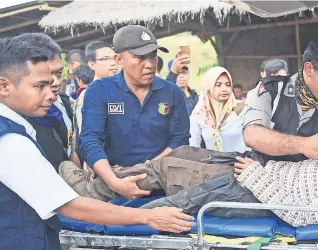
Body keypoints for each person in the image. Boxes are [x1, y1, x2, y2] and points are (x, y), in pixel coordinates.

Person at [0, 35, 193, 250]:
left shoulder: (171, 92)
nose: (51, 95)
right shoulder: (11, 142)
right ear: (4, 86)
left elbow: (180, 139)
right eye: (40, 86)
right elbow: (70, 205)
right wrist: (146, 216)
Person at [141, 94, 318, 226]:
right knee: (181, 157)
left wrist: (256, 177)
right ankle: (114, 184)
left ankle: (130, 217)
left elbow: (299, 215)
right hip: (255, 170)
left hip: (252, 191)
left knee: (177, 185)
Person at [79, 25, 190, 200]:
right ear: (119, 59)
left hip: (162, 186)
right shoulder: (99, 91)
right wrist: (115, 182)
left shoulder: (172, 92)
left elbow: (180, 139)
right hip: (113, 187)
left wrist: (148, 170)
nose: (149, 64)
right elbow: (90, 140)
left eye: (153, 56)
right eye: (140, 57)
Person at [243, 36, 318, 166]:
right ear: (309, 69)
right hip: (255, 180)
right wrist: (304, 145)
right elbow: (252, 135)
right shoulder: (271, 90)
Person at [11, 33, 74, 171]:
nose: (56, 82)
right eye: (43, 79)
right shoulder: (12, 124)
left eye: (58, 74)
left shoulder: (66, 104)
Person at [189, 67, 247, 152]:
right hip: (212, 164)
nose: (224, 89)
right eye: (218, 85)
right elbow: (194, 147)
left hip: (239, 163)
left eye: (228, 85)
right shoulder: (199, 113)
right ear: (209, 87)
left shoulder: (241, 109)